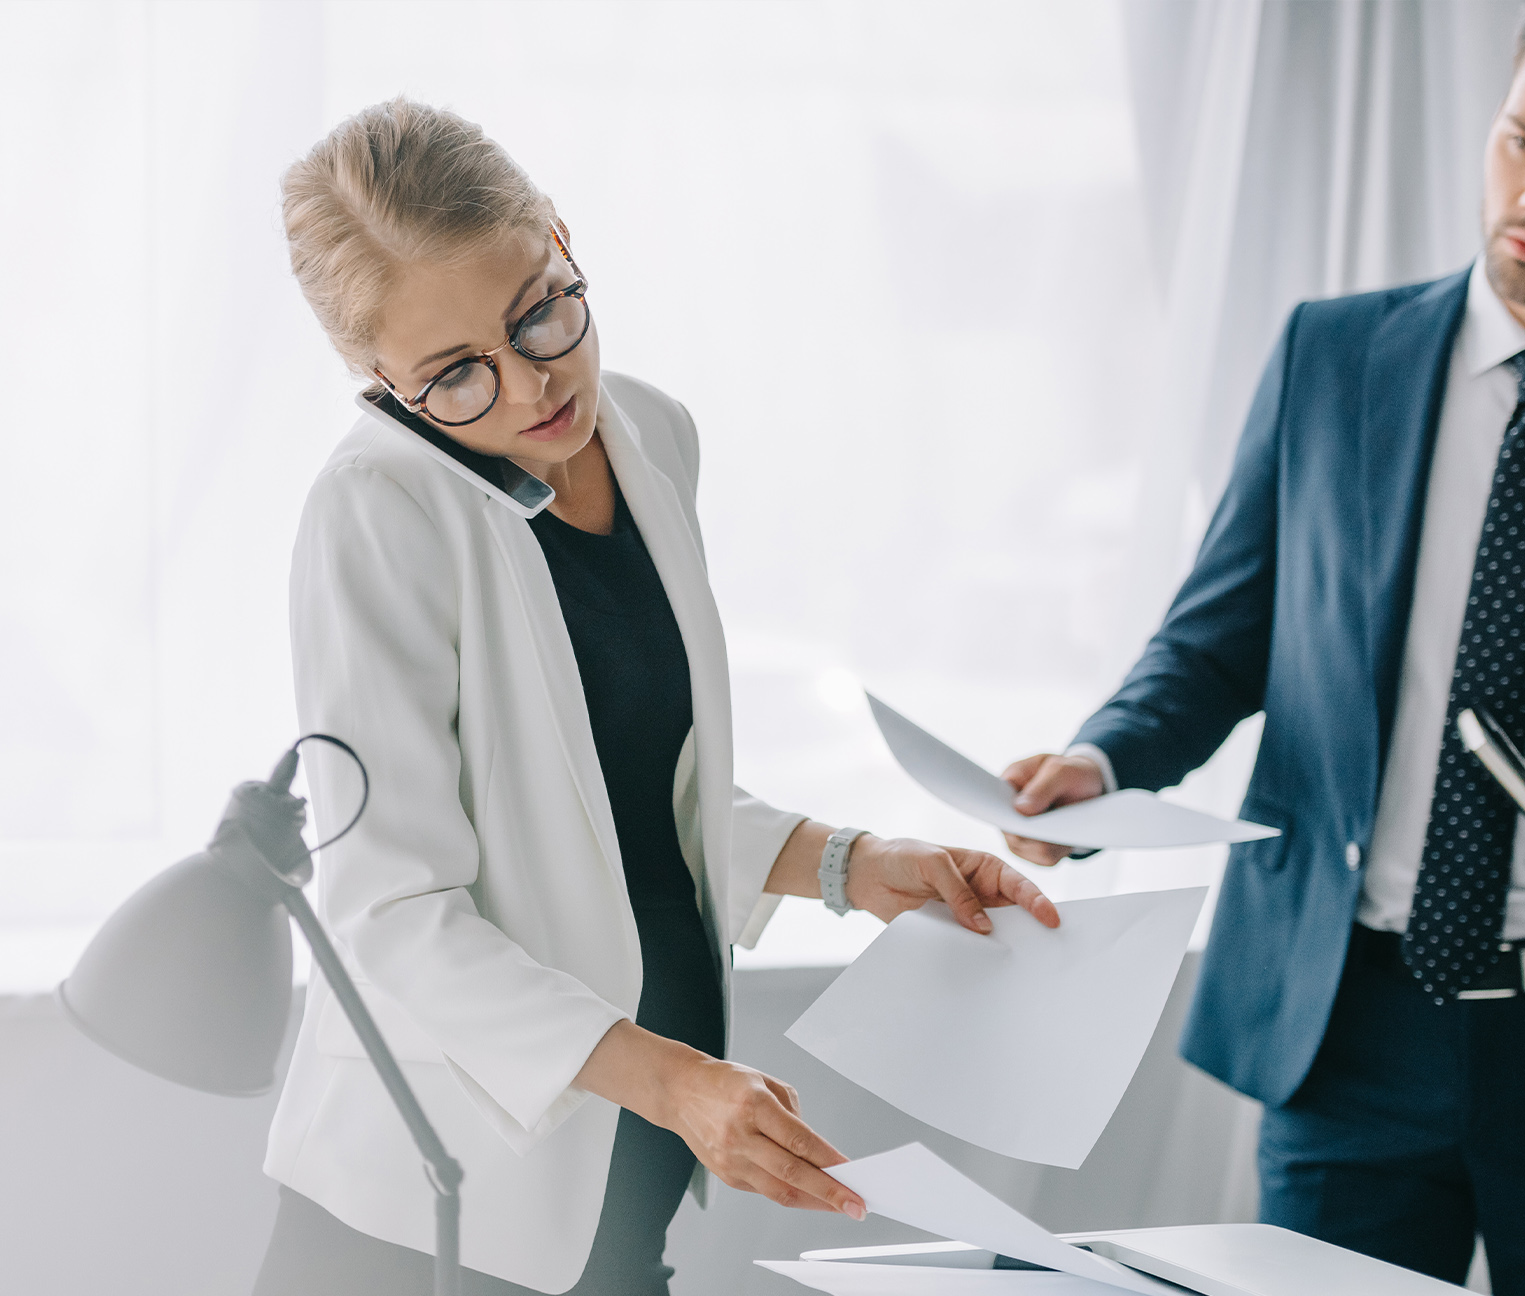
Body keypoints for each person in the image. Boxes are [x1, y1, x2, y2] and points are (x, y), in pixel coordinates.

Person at [253, 99, 1059, 1296]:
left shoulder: (651, 436)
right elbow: (394, 912)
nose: (531, 386)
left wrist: (849, 864)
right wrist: (678, 1081)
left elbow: (613, 798)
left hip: (627, 1170)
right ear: (377, 381)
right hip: (436, 1211)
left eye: (539, 311)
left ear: (561, 237)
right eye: (456, 375)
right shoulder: (378, 511)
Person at [1002, 3, 1525, 1292]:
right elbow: (1218, 637)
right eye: (1521, 141)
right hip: (1347, 1029)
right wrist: (1105, 760)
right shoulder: (1332, 355)